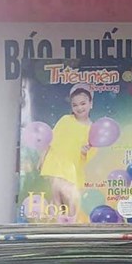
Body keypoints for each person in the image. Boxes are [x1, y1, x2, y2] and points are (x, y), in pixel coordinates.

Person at [40, 84, 94, 221]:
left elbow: (91, 153)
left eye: (83, 103)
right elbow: (50, 140)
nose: (79, 108)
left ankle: (70, 224)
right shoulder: (65, 120)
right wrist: (42, 158)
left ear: (90, 104)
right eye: (75, 105)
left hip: (73, 167)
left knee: (71, 200)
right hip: (56, 162)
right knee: (56, 196)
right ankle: (58, 224)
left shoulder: (92, 129)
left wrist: (85, 152)